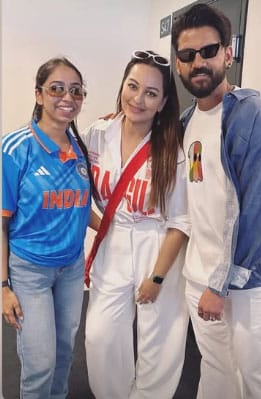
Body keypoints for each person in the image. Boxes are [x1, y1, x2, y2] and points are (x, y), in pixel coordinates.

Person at [81, 50, 190, 399]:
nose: (138, 99)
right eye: (133, 86)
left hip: (157, 245)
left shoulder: (172, 147)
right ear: (122, 86)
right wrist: (104, 226)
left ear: (162, 103)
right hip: (113, 246)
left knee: (159, 339)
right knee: (100, 335)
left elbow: (180, 220)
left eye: (151, 93)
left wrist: (157, 276)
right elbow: (75, 188)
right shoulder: (98, 133)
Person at [171, 3, 261, 399]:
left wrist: (220, 285)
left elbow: (256, 210)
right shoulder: (185, 122)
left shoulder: (250, 115)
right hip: (198, 276)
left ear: (228, 52)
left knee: (254, 374)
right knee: (217, 369)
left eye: (208, 51)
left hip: (244, 284)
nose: (199, 63)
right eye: (188, 56)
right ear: (177, 64)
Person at [2, 57, 98, 399]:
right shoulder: (16, 148)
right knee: (39, 361)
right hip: (29, 271)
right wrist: (3, 286)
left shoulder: (80, 149)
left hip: (71, 268)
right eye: (57, 88)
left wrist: (116, 233)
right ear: (39, 95)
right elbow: (1, 223)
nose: (67, 97)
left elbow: (80, 208)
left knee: (64, 354)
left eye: (76, 90)